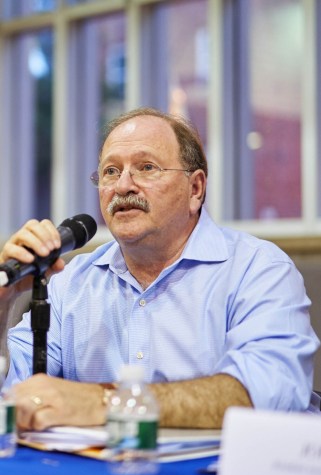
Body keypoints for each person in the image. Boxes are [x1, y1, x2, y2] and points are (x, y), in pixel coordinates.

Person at [0, 107, 319, 432]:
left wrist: (102, 403)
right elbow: (9, 389)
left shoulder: (258, 270)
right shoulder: (72, 282)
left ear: (195, 189)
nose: (122, 186)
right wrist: (1, 302)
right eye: (110, 171)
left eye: (146, 167)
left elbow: (271, 391)